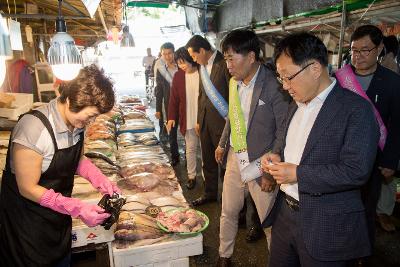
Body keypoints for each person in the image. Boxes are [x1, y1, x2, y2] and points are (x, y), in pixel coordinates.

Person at [262, 32, 379, 266]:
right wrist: (276, 155)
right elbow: (284, 140)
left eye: (288, 77)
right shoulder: (294, 104)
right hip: (285, 214)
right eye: (280, 78)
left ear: (315, 69)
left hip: (326, 224)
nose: (285, 87)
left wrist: (297, 174)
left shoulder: (356, 110)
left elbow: (356, 170)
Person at [0, 65, 120, 266]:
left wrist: (100, 180)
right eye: (90, 116)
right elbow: (27, 188)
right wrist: (77, 207)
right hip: (26, 228)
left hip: (57, 221)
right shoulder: (33, 128)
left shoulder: (76, 124)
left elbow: (76, 160)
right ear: (73, 100)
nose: (90, 122)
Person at [215, 29, 289, 267]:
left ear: (250, 57)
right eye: (225, 58)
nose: (228, 64)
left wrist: (270, 170)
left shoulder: (274, 85)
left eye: (231, 58)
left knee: (269, 222)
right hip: (236, 158)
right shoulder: (233, 83)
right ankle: (224, 256)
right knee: (228, 211)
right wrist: (222, 143)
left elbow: (283, 130)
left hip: (262, 162)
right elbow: (231, 116)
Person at [336, 25, 400, 237]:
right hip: (338, 156)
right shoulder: (339, 80)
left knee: (366, 207)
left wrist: (390, 161)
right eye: (354, 50)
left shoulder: (392, 82)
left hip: (372, 159)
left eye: (365, 50)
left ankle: (363, 252)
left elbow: (397, 125)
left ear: (380, 48)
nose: (358, 56)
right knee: (341, 207)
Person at [186, 35, 230, 206]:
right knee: (208, 162)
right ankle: (210, 193)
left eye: (194, 55)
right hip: (205, 123)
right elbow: (201, 95)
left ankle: (229, 201)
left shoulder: (224, 63)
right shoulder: (202, 68)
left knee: (225, 167)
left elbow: (232, 96)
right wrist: (198, 120)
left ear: (202, 50)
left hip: (222, 123)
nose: (193, 59)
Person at [166, 47, 201, 189]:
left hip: (202, 119)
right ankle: (191, 176)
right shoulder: (179, 76)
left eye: (184, 62)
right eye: (179, 63)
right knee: (190, 149)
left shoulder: (202, 72)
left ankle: (206, 176)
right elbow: (173, 99)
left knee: (205, 151)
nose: (182, 66)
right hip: (187, 118)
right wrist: (171, 117)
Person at [155, 42, 180, 166]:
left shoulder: (182, 66)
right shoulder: (161, 70)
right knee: (172, 132)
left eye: (169, 53)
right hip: (169, 105)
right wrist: (158, 109)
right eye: (164, 54)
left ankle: (188, 155)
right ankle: (175, 156)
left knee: (187, 132)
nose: (167, 56)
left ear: (174, 53)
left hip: (184, 104)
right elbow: (159, 90)